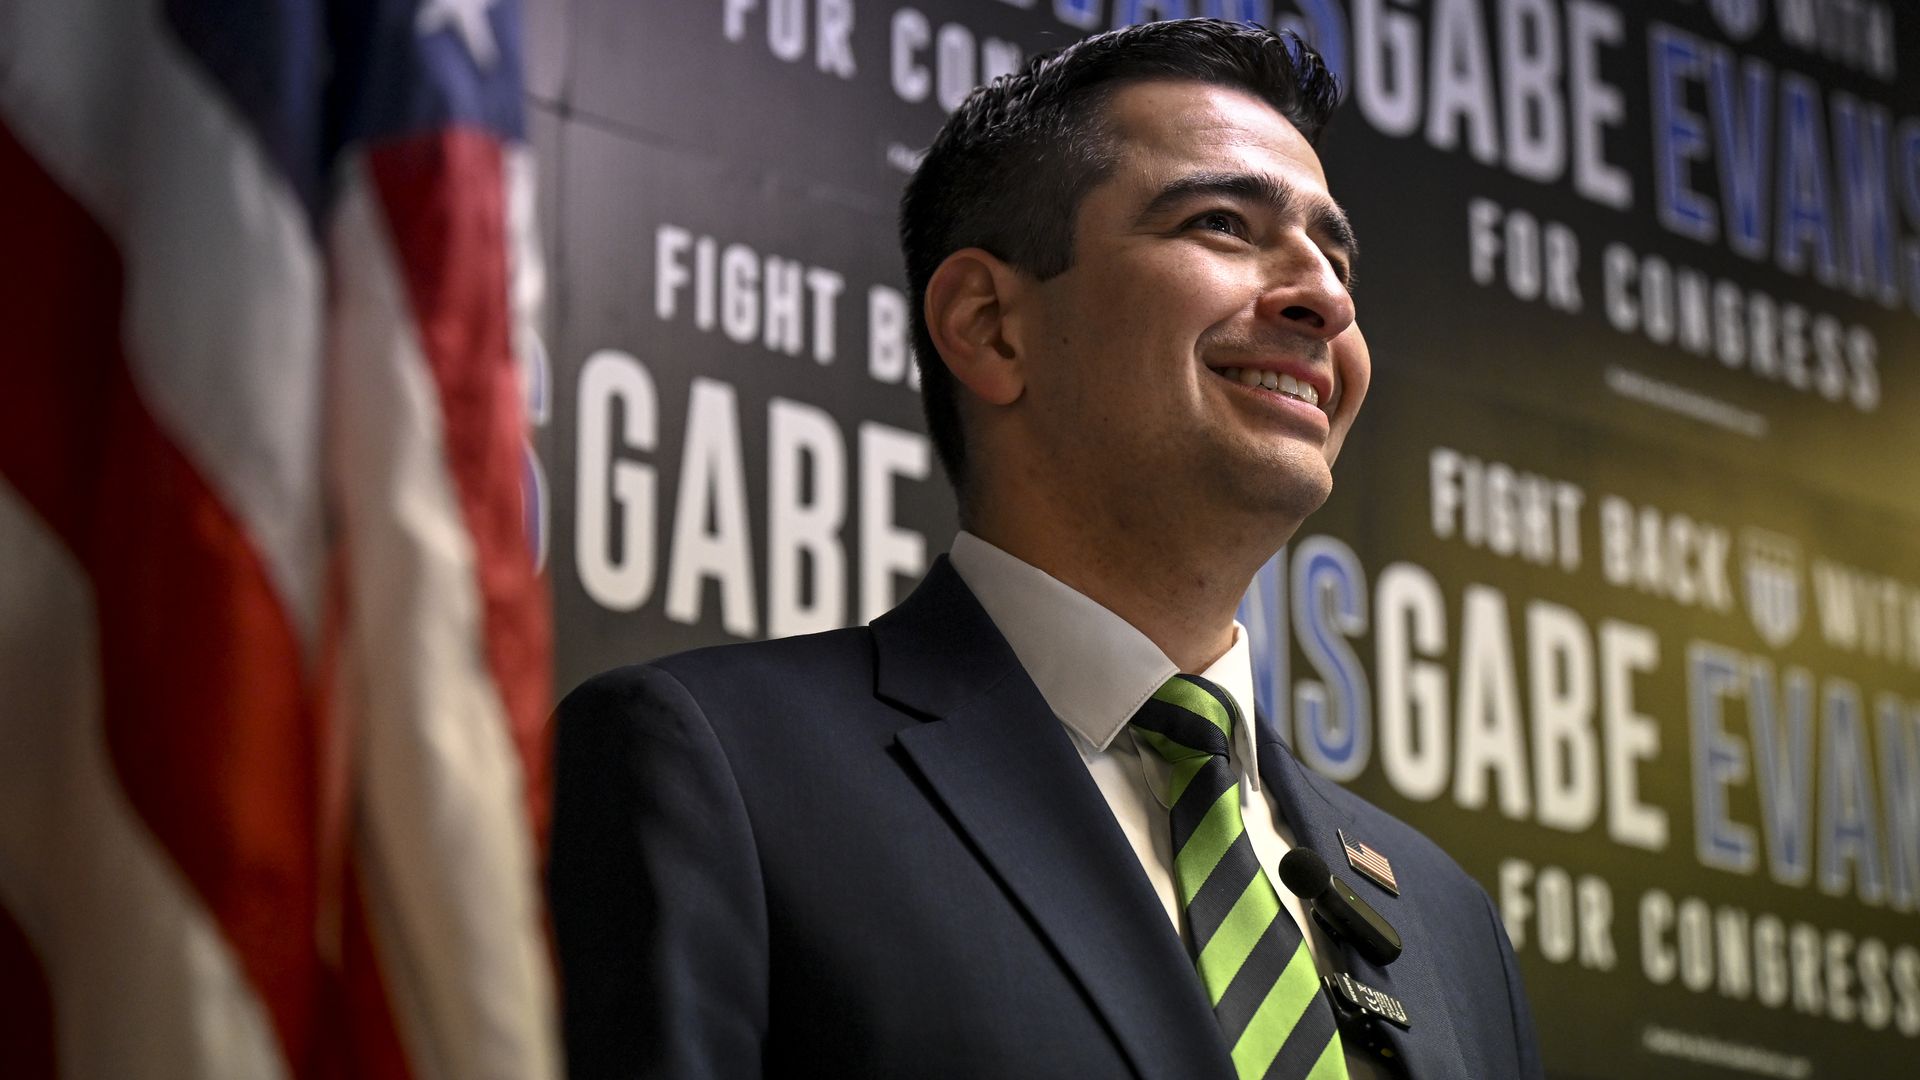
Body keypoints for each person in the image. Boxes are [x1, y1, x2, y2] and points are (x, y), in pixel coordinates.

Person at [550, 19, 1544, 1080]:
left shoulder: (1447, 925)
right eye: (1221, 223)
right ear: (988, 324)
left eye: (1335, 257)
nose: (1326, 300)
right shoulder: (712, 773)